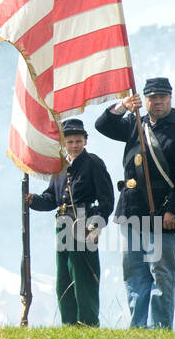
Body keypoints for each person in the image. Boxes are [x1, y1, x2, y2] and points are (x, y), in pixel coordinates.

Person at [94, 77, 175, 329]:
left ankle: (159, 328)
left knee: (161, 274)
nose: (158, 102)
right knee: (134, 273)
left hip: (164, 215)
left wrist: (173, 211)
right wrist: (123, 106)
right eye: (152, 98)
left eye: (162, 97)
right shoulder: (135, 124)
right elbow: (103, 125)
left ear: (170, 98)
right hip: (132, 211)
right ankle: (138, 326)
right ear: (145, 99)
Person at [26, 118, 112, 326]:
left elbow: (106, 199)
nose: (74, 145)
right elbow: (51, 199)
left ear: (85, 141)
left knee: (84, 276)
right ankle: (69, 323)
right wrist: (32, 200)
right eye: (70, 141)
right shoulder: (59, 167)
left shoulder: (93, 163)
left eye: (78, 141)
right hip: (63, 224)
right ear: (64, 143)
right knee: (64, 276)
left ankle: (88, 322)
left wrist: (96, 224)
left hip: (84, 223)